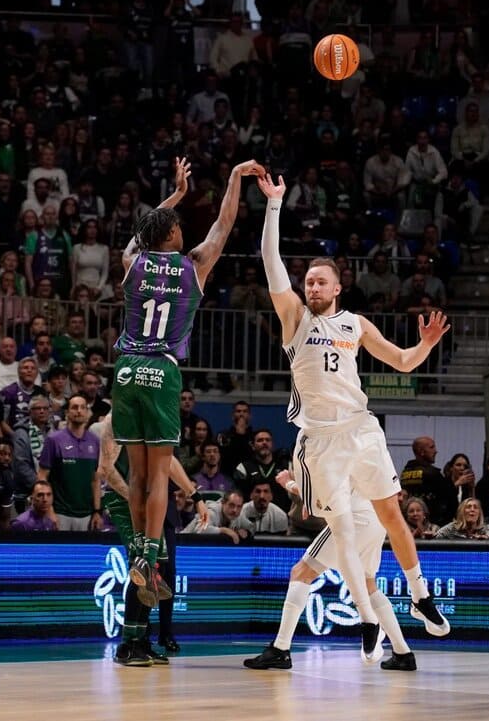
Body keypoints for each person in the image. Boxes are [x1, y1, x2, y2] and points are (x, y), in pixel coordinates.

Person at [256, 170, 451, 662]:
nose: (312, 285)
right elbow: (271, 261)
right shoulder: (295, 318)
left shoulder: (356, 324)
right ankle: (370, 621)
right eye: (308, 281)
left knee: (391, 511)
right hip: (321, 439)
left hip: (361, 429)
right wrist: (275, 205)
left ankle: (421, 593)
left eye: (320, 281)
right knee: (340, 529)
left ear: (338, 288)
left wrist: (424, 345)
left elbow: (403, 362)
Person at [112, 157, 262, 607]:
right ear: (173, 236)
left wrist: (174, 195)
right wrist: (235, 178)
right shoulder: (194, 264)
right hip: (161, 369)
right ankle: (150, 555)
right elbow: (225, 223)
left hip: (126, 369)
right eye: (177, 222)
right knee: (160, 477)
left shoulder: (132, 262)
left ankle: (138, 552)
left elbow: (143, 232)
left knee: (136, 475)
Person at [243, 471, 417, 671]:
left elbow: (322, 496)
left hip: (353, 518)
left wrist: (289, 483)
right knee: (368, 583)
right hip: (376, 519)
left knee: (301, 572)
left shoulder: (336, 446)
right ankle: (403, 652)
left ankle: (280, 649)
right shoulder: (372, 448)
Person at [95, 411, 208, 666]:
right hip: (123, 498)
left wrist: (195, 495)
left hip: (148, 499)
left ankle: (141, 639)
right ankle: (127, 644)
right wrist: (135, 500)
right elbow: (106, 470)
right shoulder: (116, 419)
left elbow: (166, 462)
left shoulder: (158, 418)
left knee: (160, 566)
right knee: (142, 566)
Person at [36, 394, 101, 530]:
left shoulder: (95, 441)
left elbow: (96, 480)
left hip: (87, 515)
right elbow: (42, 477)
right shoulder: (54, 440)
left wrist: (97, 511)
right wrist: (49, 510)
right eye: (75, 407)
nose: (79, 411)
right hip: (60, 513)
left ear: (88, 413)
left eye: (83, 408)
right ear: (67, 413)